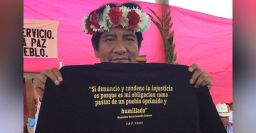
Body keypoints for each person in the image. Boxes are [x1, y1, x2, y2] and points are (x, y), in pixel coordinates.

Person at [32, 2, 212, 99]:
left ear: (138, 47)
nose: (120, 49)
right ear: (96, 49)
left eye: (128, 39)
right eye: (109, 39)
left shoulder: (163, 84)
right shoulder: (74, 86)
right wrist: (49, 96)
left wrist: (196, 88)